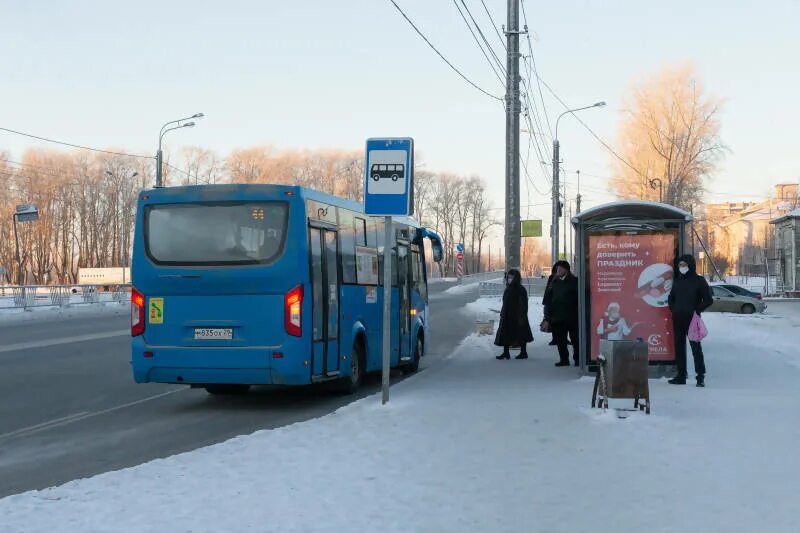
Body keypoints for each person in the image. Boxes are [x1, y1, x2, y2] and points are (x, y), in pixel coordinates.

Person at [667, 254, 712, 387]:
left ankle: (700, 376)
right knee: (679, 348)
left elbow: (709, 300)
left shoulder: (699, 281)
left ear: (690, 265)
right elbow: (671, 297)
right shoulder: (678, 281)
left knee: (696, 348)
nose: (682, 267)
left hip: (692, 320)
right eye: (680, 265)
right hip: (678, 318)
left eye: (684, 265)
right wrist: (674, 308)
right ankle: (681, 376)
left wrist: (696, 310)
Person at [544, 260, 579, 367]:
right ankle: (564, 359)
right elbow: (548, 299)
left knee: (575, 339)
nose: (558, 270)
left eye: (560, 268)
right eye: (557, 269)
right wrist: (547, 316)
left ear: (566, 270)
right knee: (560, 340)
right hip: (557, 316)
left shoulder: (574, 281)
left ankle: (578, 359)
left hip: (572, 316)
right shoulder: (553, 281)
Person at [494, 269, 534, 360]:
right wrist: (503, 312)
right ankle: (506, 353)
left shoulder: (520, 289)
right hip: (507, 314)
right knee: (505, 334)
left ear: (516, 278)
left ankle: (523, 352)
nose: (509, 279)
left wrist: (522, 315)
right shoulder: (508, 288)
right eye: (508, 277)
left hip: (517, 315)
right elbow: (505, 302)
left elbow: (524, 303)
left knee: (521, 334)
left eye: (512, 277)